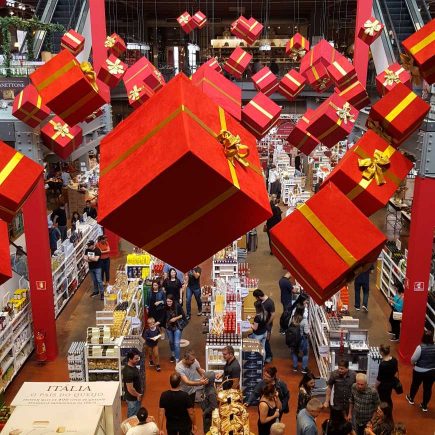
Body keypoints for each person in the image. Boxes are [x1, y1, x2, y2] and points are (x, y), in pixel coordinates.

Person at [406, 328, 435, 412]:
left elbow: (413, 359)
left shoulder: (420, 347)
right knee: (428, 388)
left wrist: (413, 364)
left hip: (419, 370)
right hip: (432, 371)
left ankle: (411, 398)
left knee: (415, 384)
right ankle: (424, 406)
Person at [253, 289, 276, 363]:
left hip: (267, 325)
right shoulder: (261, 302)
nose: (256, 299)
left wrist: (268, 323)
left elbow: (273, 315)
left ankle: (269, 356)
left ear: (259, 296)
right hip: (263, 324)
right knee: (264, 342)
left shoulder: (270, 302)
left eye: (256, 297)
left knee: (266, 342)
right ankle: (264, 357)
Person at [163, 295, 187, 363]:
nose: (169, 303)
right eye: (167, 301)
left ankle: (177, 359)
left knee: (176, 343)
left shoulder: (177, 306)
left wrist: (175, 318)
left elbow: (182, 315)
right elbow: (163, 317)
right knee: (171, 341)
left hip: (177, 326)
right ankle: (173, 353)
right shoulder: (165, 307)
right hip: (169, 327)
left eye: (170, 301)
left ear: (173, 301)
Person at [289, 305, 310, 373]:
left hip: (294, 339)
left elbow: (288, 326)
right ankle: (303, 369)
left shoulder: (293, 318)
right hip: (302, 339)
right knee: (305, 353)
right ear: (303, 311)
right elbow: (306, 332)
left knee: (294, 352)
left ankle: (295, 367)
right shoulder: (304, 320)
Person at [122, 351, 143, 418]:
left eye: (138, 358)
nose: (138, 360)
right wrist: (138, 395)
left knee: (132, 414)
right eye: (136, 359)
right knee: (133, 417)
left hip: (134, 398)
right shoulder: (129, 372)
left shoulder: (133, 367)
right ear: (130, 359)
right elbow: (130, 388)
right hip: (133, 399)